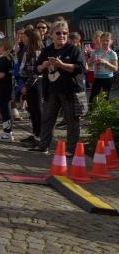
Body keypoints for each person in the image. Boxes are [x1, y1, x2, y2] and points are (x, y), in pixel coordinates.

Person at [30, 20, 86, 157]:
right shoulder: (47, 50)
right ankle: (43, 146)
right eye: (58, 33)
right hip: (51, 90)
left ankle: (71, 150)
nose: (62, 36)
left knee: (72, 121)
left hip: (70, 91)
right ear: (51, 35)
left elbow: (81, 68)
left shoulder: (73, 49)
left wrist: (62, 65)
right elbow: (36, 68)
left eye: (65, 33)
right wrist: (43, 66)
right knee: (47, 119)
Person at [18, 28, 44, 145]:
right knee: (32, 110)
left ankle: (40, 136)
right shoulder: (27, 49)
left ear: (30, 38)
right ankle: (35, 134)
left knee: (37, 110)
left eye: (24, 36)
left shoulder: (37, 52)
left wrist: (26, 86)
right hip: (28, 82)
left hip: (35, 84)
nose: (22, 38)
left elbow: (36, 73)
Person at [89, 32, 117, 106]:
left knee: (105, 98)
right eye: (103, 40)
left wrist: (105, 62)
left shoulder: (112, 53)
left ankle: (104, 113)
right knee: (92, 98)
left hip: (108, 78)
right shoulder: (95, 51)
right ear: (100, 41)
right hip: (97, 77)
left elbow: (115, 68)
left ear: (111, 41)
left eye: (107, 40)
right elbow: (88, 64)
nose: (105, 42)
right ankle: (92, 112)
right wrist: (92, 61)